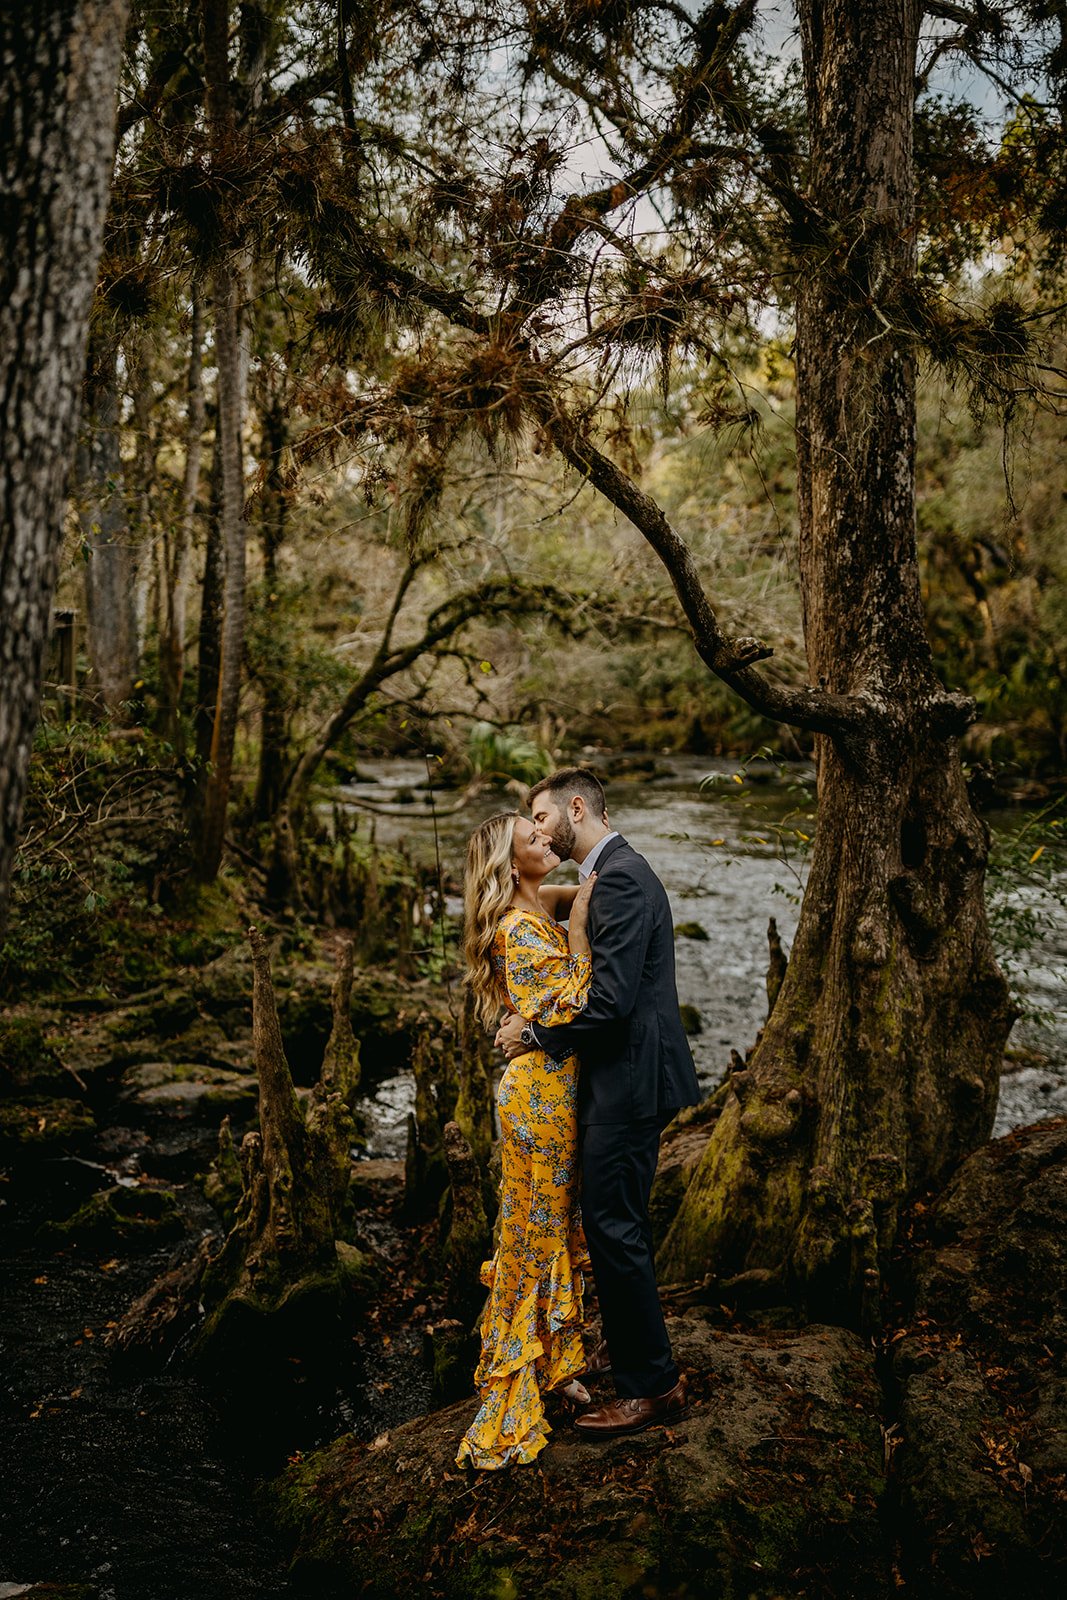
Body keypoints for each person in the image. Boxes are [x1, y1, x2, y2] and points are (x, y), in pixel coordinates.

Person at [496, 767, 700, 1439]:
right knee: (613, 1226)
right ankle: (642, 1366)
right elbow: (545, 900)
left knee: (613, 1230)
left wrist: (534, 1032)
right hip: (624, 1079)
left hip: (629, 1081)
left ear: (574, 808)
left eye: (542, 817)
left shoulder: (618, 877)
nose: (540, 830)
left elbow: (608, 1004)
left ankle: (652, 1388)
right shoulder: (608, 874)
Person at [455, 810, 598, 1470]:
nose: (550, 839)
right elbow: (575, 1000)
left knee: (545, 1230)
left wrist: (586, 883)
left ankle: (554, 1361)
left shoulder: (530, 906)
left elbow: (570, 888)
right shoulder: (520, 931)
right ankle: (517, 1375)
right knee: (533, 1234)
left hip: (551, 1093)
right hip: (538, 1100)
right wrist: (577, 924)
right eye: (534, 839)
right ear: (513, 866)